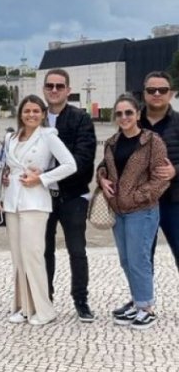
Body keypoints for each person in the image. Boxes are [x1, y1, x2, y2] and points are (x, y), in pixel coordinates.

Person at [0, 95, 76, 326]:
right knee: (19, 258)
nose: (31, 115)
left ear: (43, 114)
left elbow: (70, 165)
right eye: (27, 111)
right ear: (20, 113)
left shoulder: (48, 137)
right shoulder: (11, 137)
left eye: (36, 111)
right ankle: (25, 308)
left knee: (33, 256)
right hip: (12, 202)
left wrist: (42, 178)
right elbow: (4, 169)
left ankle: (44, 309)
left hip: (35, 203)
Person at [98, 94, 170, 329]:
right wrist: (101, 179)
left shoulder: (151, 141)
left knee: (139, 259)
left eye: (129, 112)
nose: (124, 117)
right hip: (118, 211)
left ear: (138, 114)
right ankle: (138, 299)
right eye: (119, 113)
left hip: (142, 210)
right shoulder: (111, 142)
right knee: (126, 260)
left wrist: (138, 196)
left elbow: (162, 178)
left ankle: (146, 308)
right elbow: (103, 167)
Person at [40, 69, 97, 322]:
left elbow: (84, 160)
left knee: (77, 250)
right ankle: (45, 298)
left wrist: (47, 176)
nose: (54, 90)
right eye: (50, 85)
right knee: (44, 250)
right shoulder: (35, 116)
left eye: (59, 86)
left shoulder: (80, 119)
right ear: (44, 88)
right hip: (41, 196)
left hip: (73, 195)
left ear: (68, 89)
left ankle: (81, 299)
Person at [138, 72, 179, 270]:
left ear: (170, 94)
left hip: (175, 201)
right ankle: (144, 301)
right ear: (144, 94)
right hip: (142, 201)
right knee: (143, 257)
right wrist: (103, 175)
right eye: (151, 90)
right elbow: (114, 154)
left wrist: (175, 171)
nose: (156, 93)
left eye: (162, 90)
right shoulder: (132, 122)